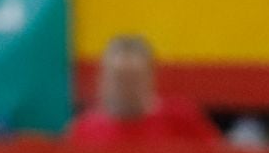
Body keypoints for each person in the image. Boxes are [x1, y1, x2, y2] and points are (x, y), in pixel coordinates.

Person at [69, 34, 220, 145]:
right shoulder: (84, 131)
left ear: (150, 76)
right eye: (120, 77)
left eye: (133, 77)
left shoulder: (182, 119)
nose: (126, 87)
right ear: (104, 78)